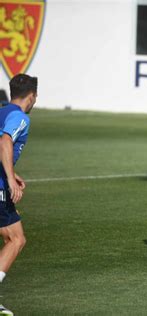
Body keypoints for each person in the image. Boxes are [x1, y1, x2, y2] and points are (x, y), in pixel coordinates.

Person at [0, 74, 37, 315]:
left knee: (11, 237)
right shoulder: (19, 117)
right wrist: (9, 178)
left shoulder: (2, 110)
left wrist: (12, 172)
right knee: (16, 239)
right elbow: (5, 142)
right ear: (32, 96)